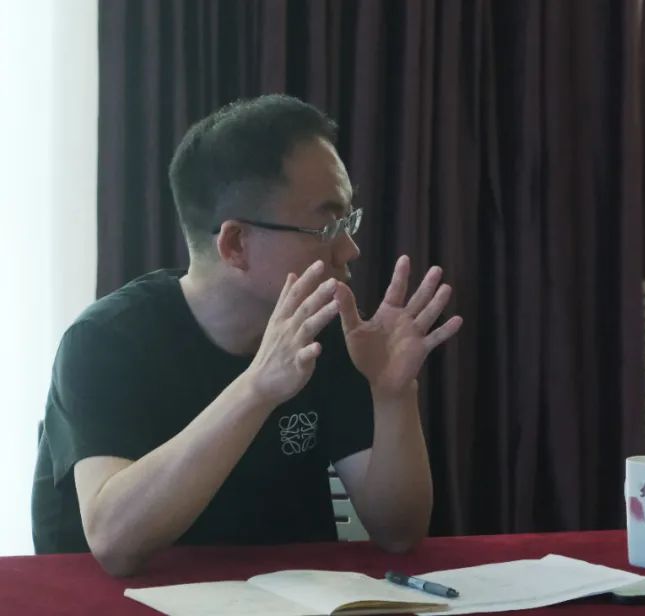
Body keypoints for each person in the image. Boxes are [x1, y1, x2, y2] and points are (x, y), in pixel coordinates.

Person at [31, 94, 462, 576]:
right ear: (235, 243)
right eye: (327, 226)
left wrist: (392, 394)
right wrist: (257, 388)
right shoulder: (105, 342)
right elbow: (114, 540)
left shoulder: (328, 330)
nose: (351, 249)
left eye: (349, 220)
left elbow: (399, 532)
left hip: (290, 600)